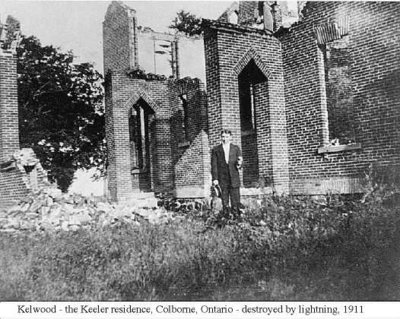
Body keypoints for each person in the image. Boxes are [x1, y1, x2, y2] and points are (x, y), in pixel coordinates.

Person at [211, 129, 243, 212]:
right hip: (223, 179)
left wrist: (239, 164)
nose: (225, 139)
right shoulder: (216, 149)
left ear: (230, 137)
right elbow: (214, 165)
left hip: (234, 178)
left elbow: (240, 162)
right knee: (224, 200)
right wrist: (215, 178)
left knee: (235, 200)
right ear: (221, 137)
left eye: (227, 137)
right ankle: (226, 218)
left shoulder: (236, 148)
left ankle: (236, 218)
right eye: (223, 137)